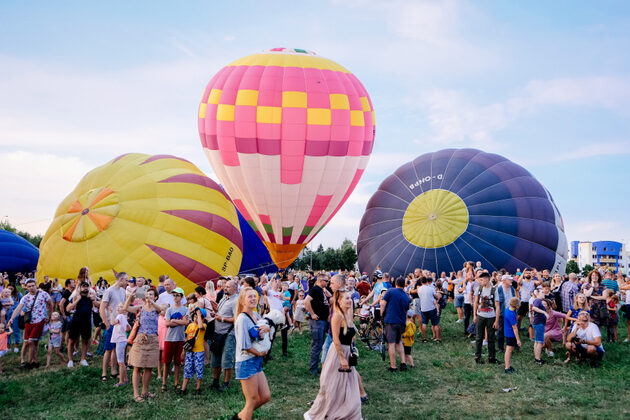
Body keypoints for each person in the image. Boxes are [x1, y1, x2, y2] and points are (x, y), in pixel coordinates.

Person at [305, 290, 362, 420]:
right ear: (339, 301)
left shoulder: (348, 315)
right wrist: (342, 357)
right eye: (346, 298)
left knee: (348, 384)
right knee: (334, 384)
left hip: (347, 352)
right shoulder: (337, 316)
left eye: (350, 298)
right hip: (338, 353)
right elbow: (335, 339)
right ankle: (329, 410)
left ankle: (347, 409)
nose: (349, 300)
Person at [233, 287, 271, 420]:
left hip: (255, 360)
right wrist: (260, 354)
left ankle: (240, 417)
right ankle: (243, 416)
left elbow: (258, 337)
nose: (253, 299)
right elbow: (244, 345)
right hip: (246, 361)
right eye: (249, 297)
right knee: (252, 400)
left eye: (254, 296)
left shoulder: (256, 316)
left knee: (265, 396)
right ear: (242, 300)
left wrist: (266, 329)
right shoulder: (242, 319)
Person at [125, 287, 162, 402]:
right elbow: (126, 308)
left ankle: (145, 392)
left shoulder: (157, 309)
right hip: (141, 339)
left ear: (155, 297)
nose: (148, 296)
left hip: (153, 340)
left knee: (149, 368)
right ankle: (136, 394)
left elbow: (161, 309)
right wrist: (130, 296)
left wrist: (151, 302)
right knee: (137, 367)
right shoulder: (140, 308)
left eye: (151, 294)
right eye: (147, 294)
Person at [9, 278, 53, 369]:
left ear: (36, 285)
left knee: (31, 341)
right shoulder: (25, 297)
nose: (32, 287)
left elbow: (51, 304)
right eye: (29, 286)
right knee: (34, 342)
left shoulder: (43, 294)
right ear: (26, 287)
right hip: (29, 321)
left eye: (33, 285)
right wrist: (12, 318)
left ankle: (29, 363)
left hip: (39, 321)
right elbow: (18, 308)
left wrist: (49, 315)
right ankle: (35, 361)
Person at [210, 279, 238, 392]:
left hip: (229, 334)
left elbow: (237, 318)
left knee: (227, 359)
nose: (225, 288)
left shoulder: (236, 301)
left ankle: (226, 384)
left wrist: (222, 319)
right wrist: (216, 313)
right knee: (215, 359)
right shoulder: (223, 298)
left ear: (235, 289)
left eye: (228, 286)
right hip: (218, 333)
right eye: (225, 286)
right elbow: (221, 312)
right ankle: (215, 382)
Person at [99, 272, 128, 381]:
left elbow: (124, 307)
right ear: (120, 279)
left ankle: (114, 371)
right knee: (108, 349)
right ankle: (104, 372)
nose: (127, 282)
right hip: (111, 323)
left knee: (117, 348)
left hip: (119, 324)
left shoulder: (123, 291)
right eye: (126, 280)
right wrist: (106, 323)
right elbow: (102, 308)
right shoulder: (109, 291)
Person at [381, 277, 410, 372]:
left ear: (396, 283)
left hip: (391, 320)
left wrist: (382, 316)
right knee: (399, 342)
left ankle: (393, 366)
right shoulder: (406, 296)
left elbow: (382, 304)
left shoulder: (390, 291)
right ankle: (403, 363)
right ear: (404, 285)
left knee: (391, 343)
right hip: (401, 322)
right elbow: (406, 311)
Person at [162, 287, 188, 391]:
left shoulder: (185, 309)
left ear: (181, 297)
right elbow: (167, 323)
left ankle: (176, 382)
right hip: (169, 338)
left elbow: (186, 322)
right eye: (174, 295)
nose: (175, 297)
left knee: (177, 362)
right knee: (167, 362)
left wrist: (174, 320)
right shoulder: (169, 309)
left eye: (177, 295)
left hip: (180, 338)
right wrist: (179, 321)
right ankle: (164, 382)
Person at [66, 281, 97, 368]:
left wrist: (93, 299)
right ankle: (70, 360)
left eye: (87, 286)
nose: (85, 288)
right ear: (80, 288)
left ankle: (83, 359)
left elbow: (98, 305)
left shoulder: (90, 297)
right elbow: (68, 309)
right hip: (76, 320)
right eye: (83, 286)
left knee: (85, 340)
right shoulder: (75, 296)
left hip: (86, 321)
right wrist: (77, 300)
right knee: (72, 340)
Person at [304, 274, 330, 375]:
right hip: (317, 322)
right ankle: (313, 370)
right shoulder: (315, 289)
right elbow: (306, 301)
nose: (327, 283)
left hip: (322, 321)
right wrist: (312, 314)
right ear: (320, 280)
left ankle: (315, 367)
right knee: (317, 345)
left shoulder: (321, 290)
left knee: (319, 344)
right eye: (326, 281)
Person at [473, 272, 499, 364]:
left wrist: (496, 320)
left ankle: (492, 358)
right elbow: (475, 303)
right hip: (480, 316)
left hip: (491, 317)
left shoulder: (494, 290)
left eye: (482, 280)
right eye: (479, 280)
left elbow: (497, 306)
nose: (480, 282)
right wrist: (474, 315)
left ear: (487, 279)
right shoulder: (479, 289)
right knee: (479, 337)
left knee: (491, 338)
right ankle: (477, 357)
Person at [181, 307, 207, 395]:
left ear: (203, 318)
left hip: (199, 351)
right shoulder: (190, 326)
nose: (196, 317)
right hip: (190, 351)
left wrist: (199, 315)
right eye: (195, 316)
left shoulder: (203, 325)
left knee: (199, 369)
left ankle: (198, 388)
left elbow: (200, 326)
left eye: (199, 316)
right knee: (187, 368)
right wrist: (183, 351)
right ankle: (183, 388)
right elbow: (187, 338)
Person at [111, 303, 130, 387]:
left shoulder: (119, 316)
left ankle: (121, 381)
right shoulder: (123, 317)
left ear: (124, 309)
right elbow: (128, 328)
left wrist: (111, 312)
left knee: (121, 362)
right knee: (121, 361)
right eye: (118, 306)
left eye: (121, 307)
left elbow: (112, 322)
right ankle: (125, 378)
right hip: (122, 340)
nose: (118, 308)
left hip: (120, 340)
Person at [496, 274, 516, 352]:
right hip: (502, 313)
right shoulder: (499, 289)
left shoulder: (512, 288)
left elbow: (515, 299)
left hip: (511, 312)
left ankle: (514, 345)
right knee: (501, 330)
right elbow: (497, 302)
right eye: (509, 279)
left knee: (513, 328)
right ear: (504, 281)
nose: (511, 280)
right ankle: (500, 348)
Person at [417, 276, 441, 343]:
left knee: (424, 323)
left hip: (423, 308)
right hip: (431, 308)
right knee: (435, 323)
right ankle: (438, 338)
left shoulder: (419, 289)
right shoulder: (430, 289)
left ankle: (425, 338)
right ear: (427, 281)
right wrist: (437, 293)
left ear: (421, 282)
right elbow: (436, 296)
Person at [503, 297, 520, 373]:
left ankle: (508, 365)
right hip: (510, 334)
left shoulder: (507, 309)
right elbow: (515, 328)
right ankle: (507, 368)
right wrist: (518, 340)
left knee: (509, 350)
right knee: (509, 350)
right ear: (516, 305)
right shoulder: (511, 314)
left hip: (507, 332)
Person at [531, 289, 547, 365]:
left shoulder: (538, 301)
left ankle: (537, 357)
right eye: (542, 292)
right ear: (537, 294)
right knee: (540, 341)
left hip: (538, 322)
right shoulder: (538, 300)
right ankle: (538, 359)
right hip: (539, 323)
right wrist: (544, 312)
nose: (544, 293)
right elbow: (533, 308)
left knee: (537, 341)